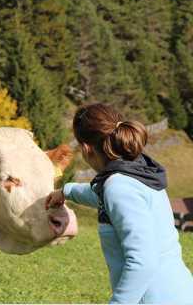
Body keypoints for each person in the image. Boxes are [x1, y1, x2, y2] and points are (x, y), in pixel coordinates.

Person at [46, 103, 193, 304]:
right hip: (177, 290)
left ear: (86, 148)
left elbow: (142, 262)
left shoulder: (119, 187)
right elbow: (101, 195)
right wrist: (66, 191)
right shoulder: (137, 171)